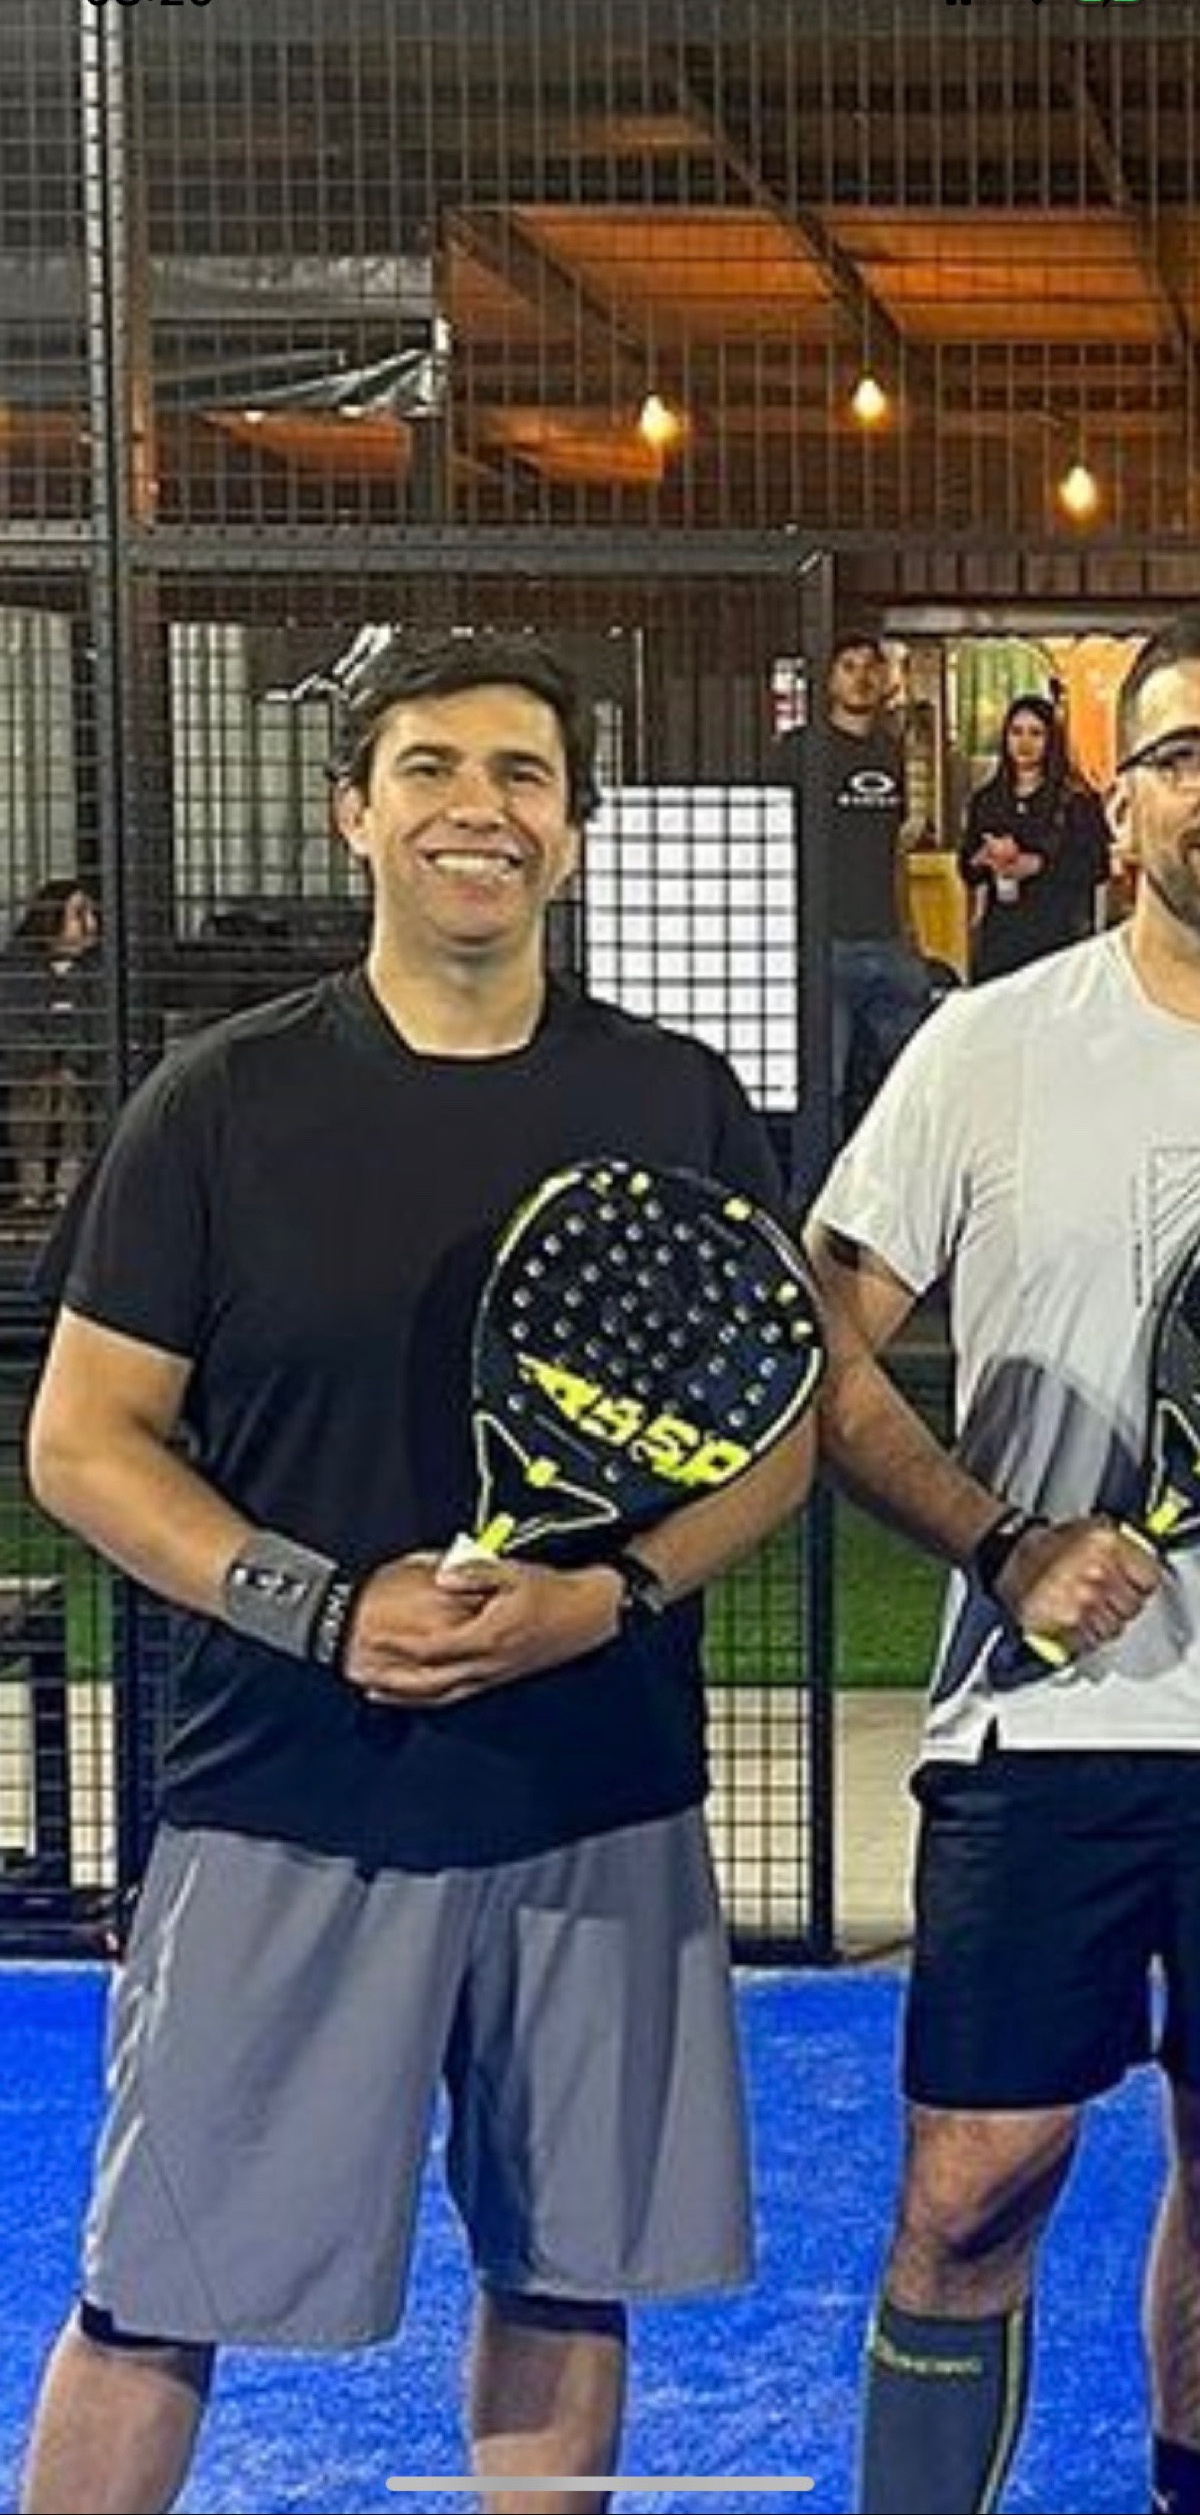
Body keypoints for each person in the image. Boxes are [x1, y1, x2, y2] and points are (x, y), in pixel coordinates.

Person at [17, 634, 816, 2515]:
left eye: (524, 774)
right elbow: (86, 1441)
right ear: (353, 815)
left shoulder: (675, 1098)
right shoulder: (220, 1103)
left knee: (564, 2276)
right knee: (150, 2298)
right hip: (289, 1795)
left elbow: (775, 1433)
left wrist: (610, 1597)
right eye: (433, 768)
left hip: (596, 1791)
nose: (481, 807)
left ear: (573, 832)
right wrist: (318, 1607)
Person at [804, 612, 1200, 2515]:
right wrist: (1006, 1539)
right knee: (972, 2187)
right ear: (1122, 807)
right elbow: (821, 1343)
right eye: (1185, 756)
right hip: (1041, 1736)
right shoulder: (987, 1045)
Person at [767, 631, 929, 1136]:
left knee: (915, 1081)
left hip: (887, 938)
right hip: (823, 941)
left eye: (870, 667)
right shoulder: (800, 750)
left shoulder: (891, 752)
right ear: (829, 678)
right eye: (849, 667)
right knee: (825, 1087)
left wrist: (910, 932)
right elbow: (772, 836)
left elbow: (896, 849)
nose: (861, 678)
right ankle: (820, 1182)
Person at [958, 691, 1111, 982]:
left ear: (1051, 740)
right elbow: (967, 868)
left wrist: (1037, 865)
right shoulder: (987, 800)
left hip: (1058, 939)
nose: (1024, 743)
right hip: (1001, 941)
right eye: (1016, 732)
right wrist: (983, 859)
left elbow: (1097, 865)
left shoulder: (1075, 799)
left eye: (1035, 733)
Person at [0, 879, 102, 1222]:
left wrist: (71, 1064)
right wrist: (41, 1064)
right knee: (31, 1104)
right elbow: (13, 1024)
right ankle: (30, 1192)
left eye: (91, 914)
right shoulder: (16, 969)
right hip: (28, 1069)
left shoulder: (94, 972)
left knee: (75, 1104)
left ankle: (66, 1190)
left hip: (79, 1071)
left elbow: (93, 1025)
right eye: (79, 915)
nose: (91, 924)